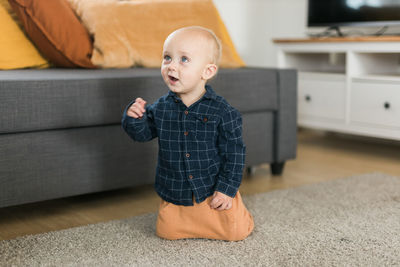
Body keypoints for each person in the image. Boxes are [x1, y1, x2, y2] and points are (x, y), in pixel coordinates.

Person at [121, 26, 254, 241]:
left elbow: (234, 155)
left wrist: (227, 189)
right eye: (167, 58)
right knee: (167, 233)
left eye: (184, 60)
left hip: (211, 188)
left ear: (207, 71)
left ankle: (236, 211)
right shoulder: (161, 107)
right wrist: (134, 118)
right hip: (176, 189)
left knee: (236, 232)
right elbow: (142, 134)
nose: (171, 66)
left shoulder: (223, 112)